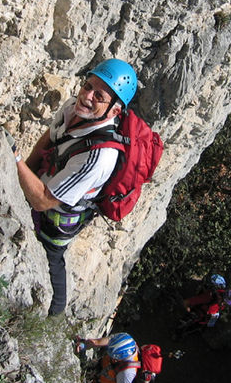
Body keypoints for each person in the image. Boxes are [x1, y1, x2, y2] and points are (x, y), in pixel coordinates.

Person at [13, 59, 138, 316]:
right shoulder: (74, 108)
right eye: (88, 85)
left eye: (99, 95)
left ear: (114, 111)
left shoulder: (99, 156)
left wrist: (14, 161)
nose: (87, 96)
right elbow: (47, 141)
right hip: (45, 182)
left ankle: (55, 313)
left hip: (57, 216)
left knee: (52, 256)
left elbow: (43, 202)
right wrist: (23, 169)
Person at [76, 333, 140, 383]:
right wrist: (90, 344)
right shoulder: (124, 340)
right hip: (101, 368)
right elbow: (109, 340)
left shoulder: (128, 373)